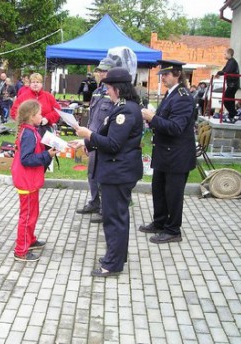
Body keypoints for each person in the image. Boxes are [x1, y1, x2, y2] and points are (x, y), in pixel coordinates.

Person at [73, 68, 143, 277]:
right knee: (117, 217)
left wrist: (89, 134)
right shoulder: (120, 107)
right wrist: (86, 141)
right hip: (117, 170)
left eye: (110, 88)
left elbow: (113, 144)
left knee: (114, 219)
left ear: (118, 89)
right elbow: (105, 134)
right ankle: (117, 256)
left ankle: (112, 264)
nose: (108, 92)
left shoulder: (126, 111)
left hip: (119, 171)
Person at [140, 60, 196, 244]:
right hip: (164, 152)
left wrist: (152, 118)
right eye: (161, 75)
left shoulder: (183, 96)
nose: (162, 78)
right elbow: (163, 121)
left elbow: (176, 128)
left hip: (177, 156)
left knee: (173, 195)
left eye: (166, 74)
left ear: (177, 74)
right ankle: (160, 222)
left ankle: (173, 230)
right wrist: (152, 119)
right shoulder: (171, 94)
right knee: (159, 190)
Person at [11, 99, 57, 262]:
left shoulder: (31, 130)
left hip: (30, 180)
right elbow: (27, 159)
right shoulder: (29, 133)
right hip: (26, 181)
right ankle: (21, 251)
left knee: (33, 213)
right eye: (39, 114)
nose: (42, 116)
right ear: (31, 116)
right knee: (27, 215)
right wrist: (47, 155)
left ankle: (29, 240)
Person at [76, 57, 116, 223]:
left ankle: (104, 208)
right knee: (92, 173)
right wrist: (87, 138)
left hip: (104, 140)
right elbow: (93, 117)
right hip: (92, 138)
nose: (100, 74)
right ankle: (94, 201)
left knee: (103, 175)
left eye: (104, 71)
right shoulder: (98, 91)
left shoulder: (114, 92)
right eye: (99, 71)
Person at [10, 73, 60, 139]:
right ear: (30, 84)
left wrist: (47, 118)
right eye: (33, 82)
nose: (35, 84)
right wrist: (27, 121)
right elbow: (14, 112)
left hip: (46, 130)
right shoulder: (23, 97)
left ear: (41, 84)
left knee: (47, 149)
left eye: (37, 82)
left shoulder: (48, 96)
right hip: (27, 130)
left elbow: (57, 111)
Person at [216, 48, 240, 123]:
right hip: (232, 84)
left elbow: (226, 71)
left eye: (225, 54)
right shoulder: (230, 62)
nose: (224, 55)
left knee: (226, 99)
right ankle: (231, 116)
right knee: (230, 100)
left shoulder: (232, 62)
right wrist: (219, 73)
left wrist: (219, 73)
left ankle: (234, 113)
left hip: (233, 84)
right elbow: (224, 70)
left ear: (229, 54)